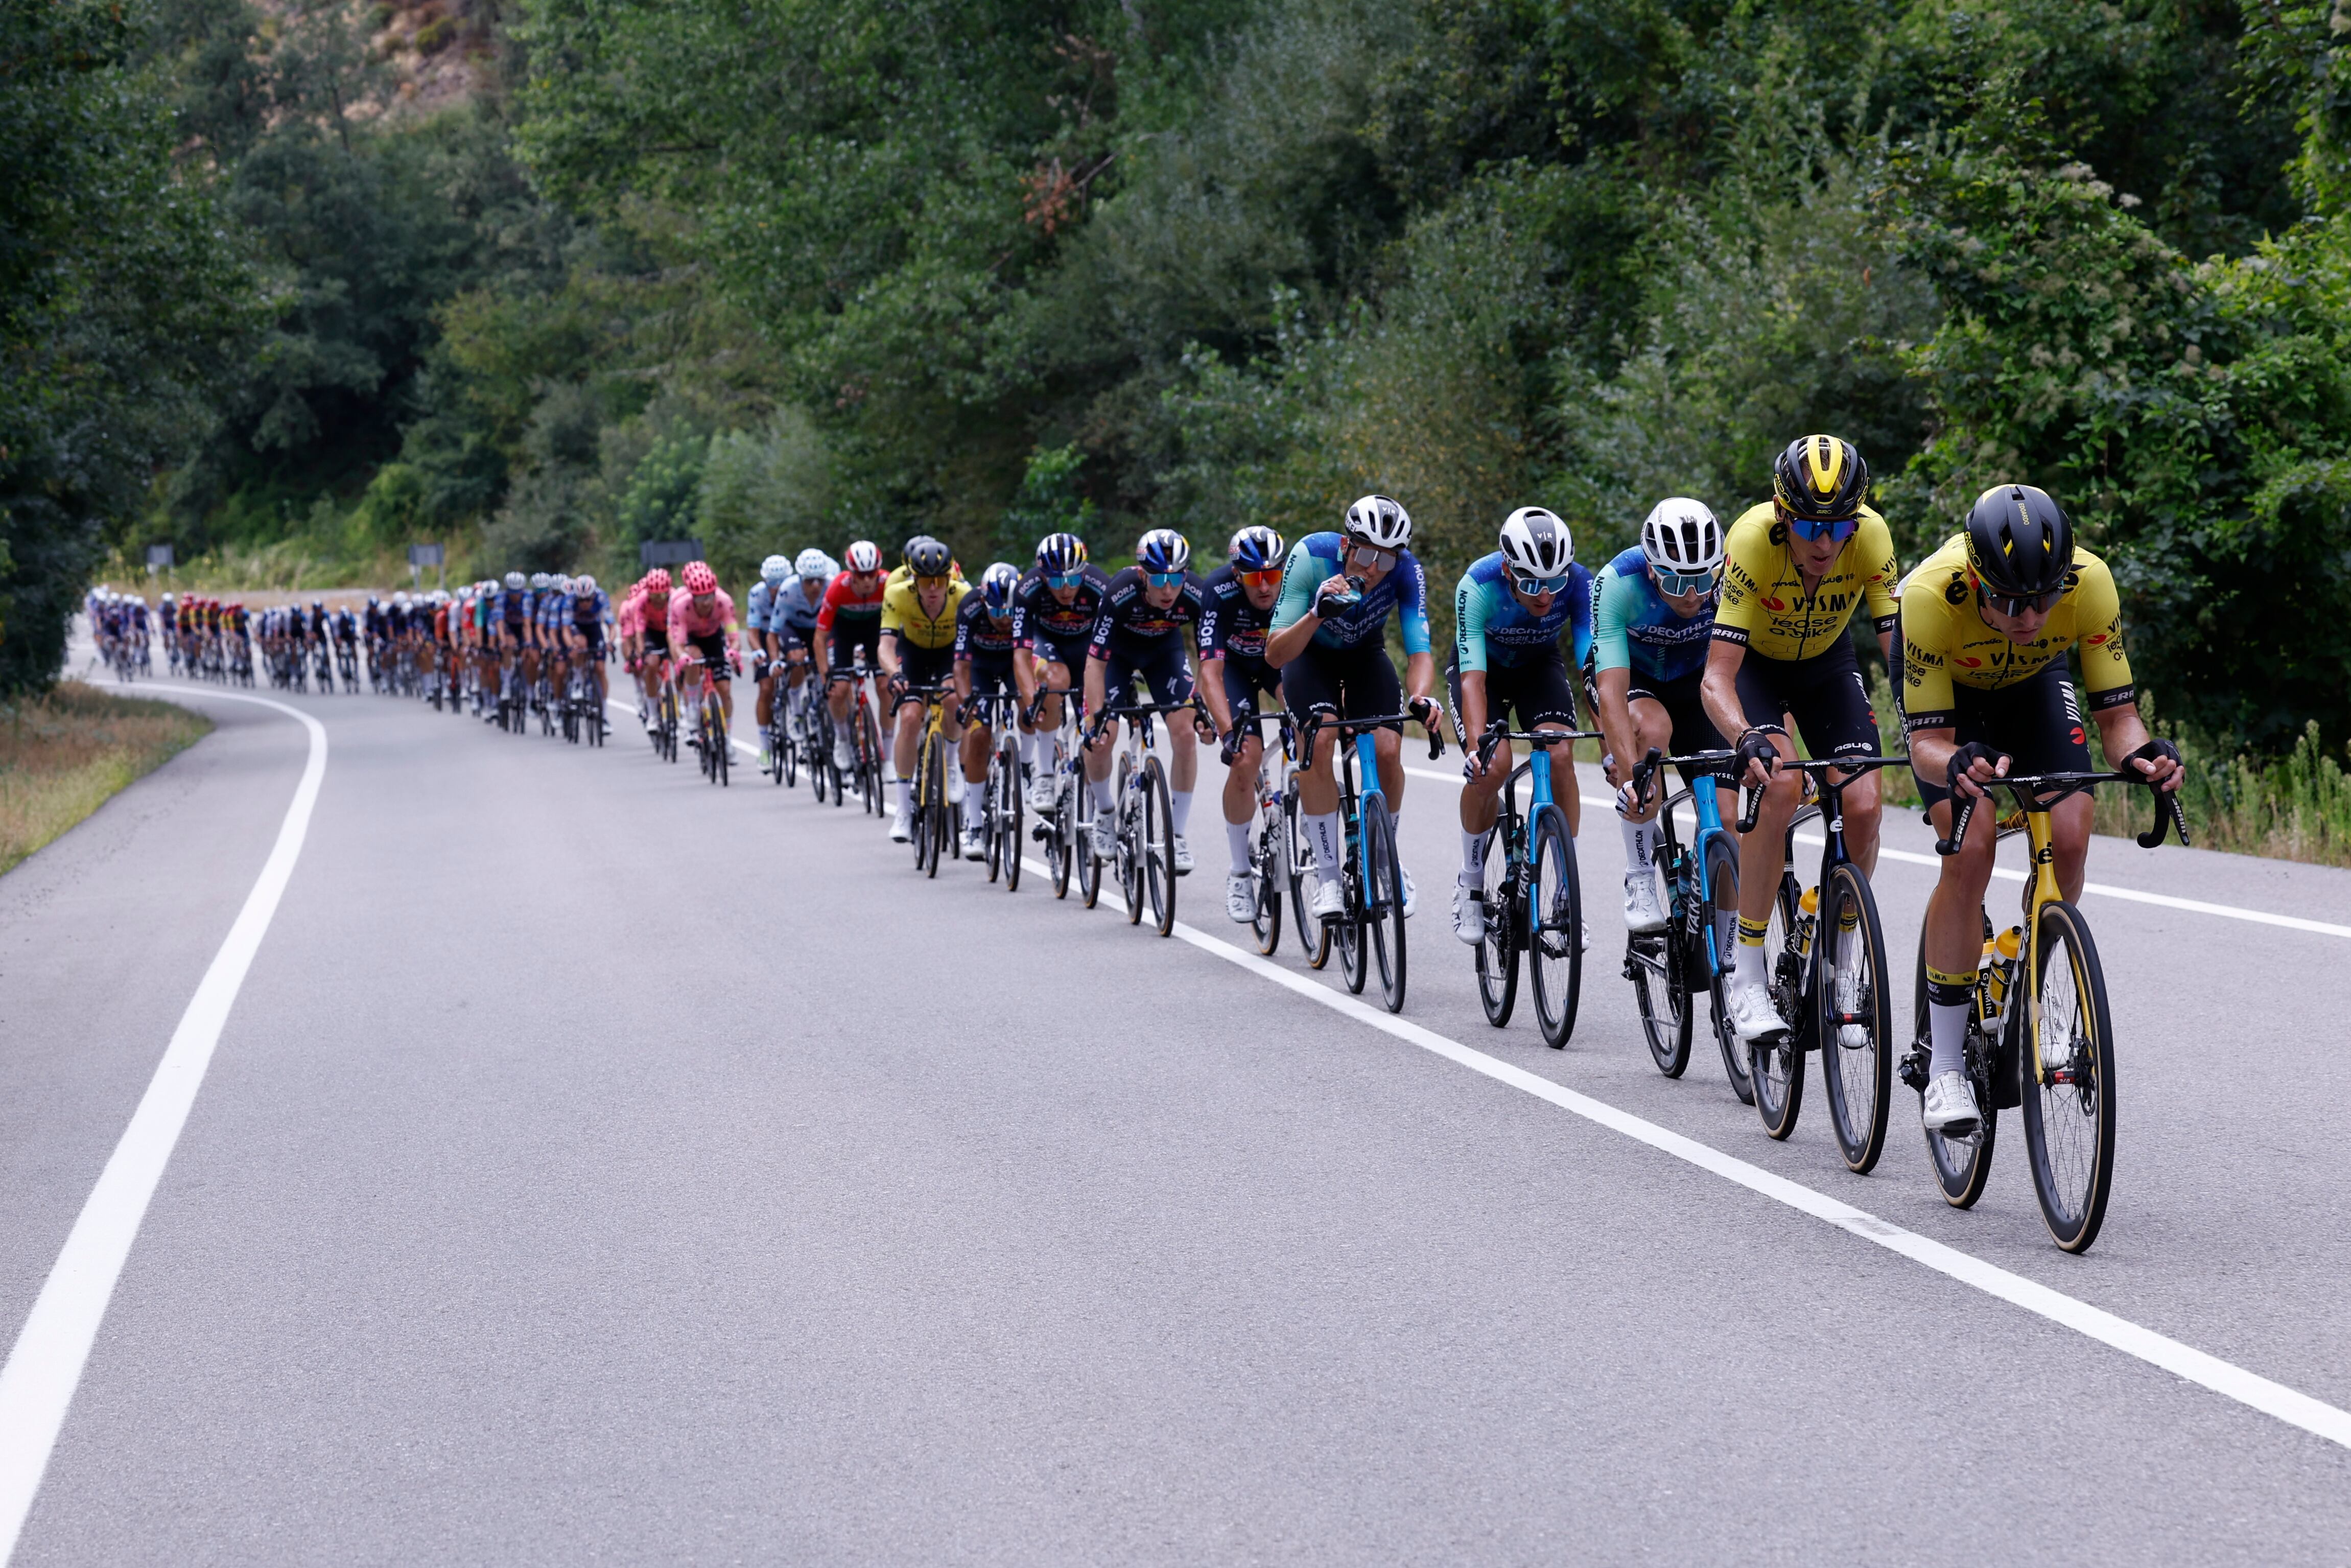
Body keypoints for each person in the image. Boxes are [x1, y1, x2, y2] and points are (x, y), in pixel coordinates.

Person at [1898, 482, 2182, 1135]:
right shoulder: (1929, 598)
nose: (2030, 617)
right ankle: (1943, 1064)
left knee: (2074, 834)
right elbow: (1925, 746)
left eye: (2045, 598)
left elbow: (2119, 717)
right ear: (1975, 579)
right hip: (1954, 707)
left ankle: (2030, 975)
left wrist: (2144, 756)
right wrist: (1957, 764)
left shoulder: (2091, 583)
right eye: (2009, 601)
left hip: (2033, 685)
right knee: (1969, 851)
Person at [1699, 435, 1899, 1046]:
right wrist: (1744, 738)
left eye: (1839, 528)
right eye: (1811, 525)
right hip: (1754, 665)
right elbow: (1716, 679)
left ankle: (1841, 962)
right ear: (1784, 514)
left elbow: (1905, 665)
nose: (1824, 543)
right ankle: (1748, 973)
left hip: (1826, 665)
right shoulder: (1751, 541)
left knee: (1864, 803)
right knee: (1780, 784)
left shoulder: (1871, 539)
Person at [1263, 494, 1440, 922]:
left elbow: (1420, 653)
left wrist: (1420, 696)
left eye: (1386, 558)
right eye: (1364, 554)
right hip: (1310, 656)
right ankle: (1327, 878)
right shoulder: (1311, 556)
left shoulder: (1406, 572)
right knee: (1320, 740)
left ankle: (1385, 860)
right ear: (1346, 545)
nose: (1374, 568)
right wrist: (1316, 615)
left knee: (1387, 748)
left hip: (1365, 654)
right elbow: (1275, 654)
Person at [1449, 506, 1593, 945]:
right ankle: (1471, 885)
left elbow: (1593, 665)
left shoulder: (1581, 584)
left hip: (1537, 668)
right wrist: (1478, 748)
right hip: (1484, 671)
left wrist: (1610, 744)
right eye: (1532, 584)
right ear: (1509, 569)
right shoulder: (1478, 585)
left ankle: (1565, 895)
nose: (1545, 596)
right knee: (1493, 767)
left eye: (1554, 582)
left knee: (1562, 752)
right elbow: (1473, 679)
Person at [1591, 498, 1729, 933]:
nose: (1691, 594)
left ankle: (1731, 957)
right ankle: (1639, 874)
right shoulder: (1617, 582)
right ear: (1652, 569)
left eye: (1701, 579)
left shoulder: (1728, 585)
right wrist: (1630, 773)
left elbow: (1757, 672)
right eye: (1673, 580)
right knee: (1650, 736)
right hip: (1635, 679)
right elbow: (1610, 691)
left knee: (1726, 824)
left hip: (1697, 685)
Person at [1082, 528, 1213, 872]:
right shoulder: (1120, 591)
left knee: (1185, 733)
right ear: (1143, 575)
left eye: (1176, 578)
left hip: (1163, 654)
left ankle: (1178, 836)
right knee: (1101, 738)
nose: (1168, 589)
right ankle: (1106, 810)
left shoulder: (1197, 593)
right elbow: (1095, 662)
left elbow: (1209, 658)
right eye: (1158, 578)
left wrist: (1201, 703)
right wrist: (1095, 718)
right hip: (1118, 657)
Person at [1197, 526, 1287, 921]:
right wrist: (1228, 732)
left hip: (1275, 663)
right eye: (1255, 577)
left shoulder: (1292, 585)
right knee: (1245, 758)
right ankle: (1238, 871)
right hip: (1233, 669)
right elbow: (1210, 673)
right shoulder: (1218, 591)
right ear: (1238, 575)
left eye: (1273, 575)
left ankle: (1304, 803)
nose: (1265, 586)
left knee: (1309, 723)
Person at [1010, 532, 1111, 811]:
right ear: (1043, 577)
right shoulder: (1027, 589)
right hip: (1047, 643)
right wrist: (1032, 702)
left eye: (1073, 579)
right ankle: (1043, 774)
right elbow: (1020, 655)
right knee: (1055, 681)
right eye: (1056, 581)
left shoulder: (1100, 585)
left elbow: (1116, 645)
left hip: (1086, 648)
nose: (1066, 589)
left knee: (1095, 731)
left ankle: (1096, 808)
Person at [879, 535, 969, 843]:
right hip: (913, 652)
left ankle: (953, 762)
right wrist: (893, 674)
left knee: (954, 699)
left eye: (939, 581)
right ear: (913, 579)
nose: (933, 589)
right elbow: (886, 646)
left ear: (949, 578)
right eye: (925, 581)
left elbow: (969, 650)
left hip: (949, 653)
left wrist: (959, 678)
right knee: (911, 715)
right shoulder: (896, 593)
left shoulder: (964, 595)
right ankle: (903, 811)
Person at [953, 562, 1027, 859]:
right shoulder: (970, 606)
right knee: (980, 733)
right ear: (984, 602)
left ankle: (1027, 769)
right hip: (979, 668)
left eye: (1009, 612)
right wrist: (965, 703)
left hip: (1013, 664)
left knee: (1028, 706)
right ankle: (973, 826)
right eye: (997, 612)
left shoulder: (1024, 604)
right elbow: (960, 666)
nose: (1005, 620)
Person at [815, 540, 889, 774]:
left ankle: (887, 755)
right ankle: (843, 739)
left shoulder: (889, 584)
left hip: (875, 631)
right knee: (838, 690)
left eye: (871, 574)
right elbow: (820, 638)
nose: (867, 580)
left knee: (886, 686)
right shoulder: (838, 587)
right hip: (843, 632)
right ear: (852, 573)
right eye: (861, 575)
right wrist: (825, 674)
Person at [668, 560, 738, 738]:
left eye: (709, 596)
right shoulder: (681, 606)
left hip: (714, 637)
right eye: (700, 598)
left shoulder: (724, 602)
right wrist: (682, 656)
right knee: (693, 657)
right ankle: (692, 707)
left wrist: (733, 651)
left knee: (724, 688)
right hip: (692, 638)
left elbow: (734, 637)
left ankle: (727, 737)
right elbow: (678, 643)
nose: (706, 603)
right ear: (692, 596)